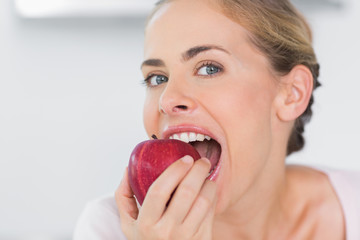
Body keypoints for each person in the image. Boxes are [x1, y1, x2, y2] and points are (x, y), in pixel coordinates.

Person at [74, 0, 360, 239]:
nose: (167, 99)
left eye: (209, 68)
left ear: (292, 93)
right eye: (157, 78)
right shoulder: (108, 228)